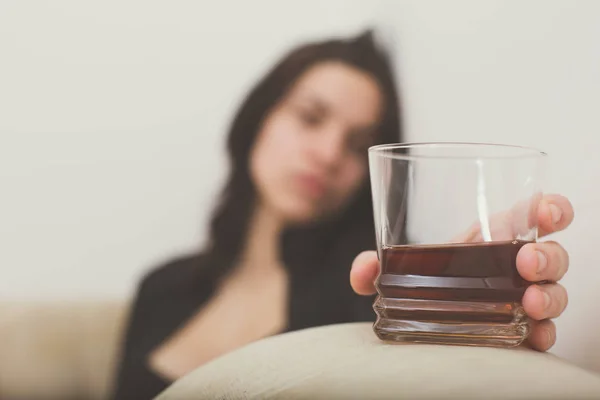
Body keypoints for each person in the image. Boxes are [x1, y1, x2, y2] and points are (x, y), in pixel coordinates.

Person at [112, 30, 575, 399]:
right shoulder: (161, 287)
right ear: (257, 120)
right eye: (310, 117)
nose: (330, 153)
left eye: (357, 145)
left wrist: (456, 308)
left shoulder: (369, 295)